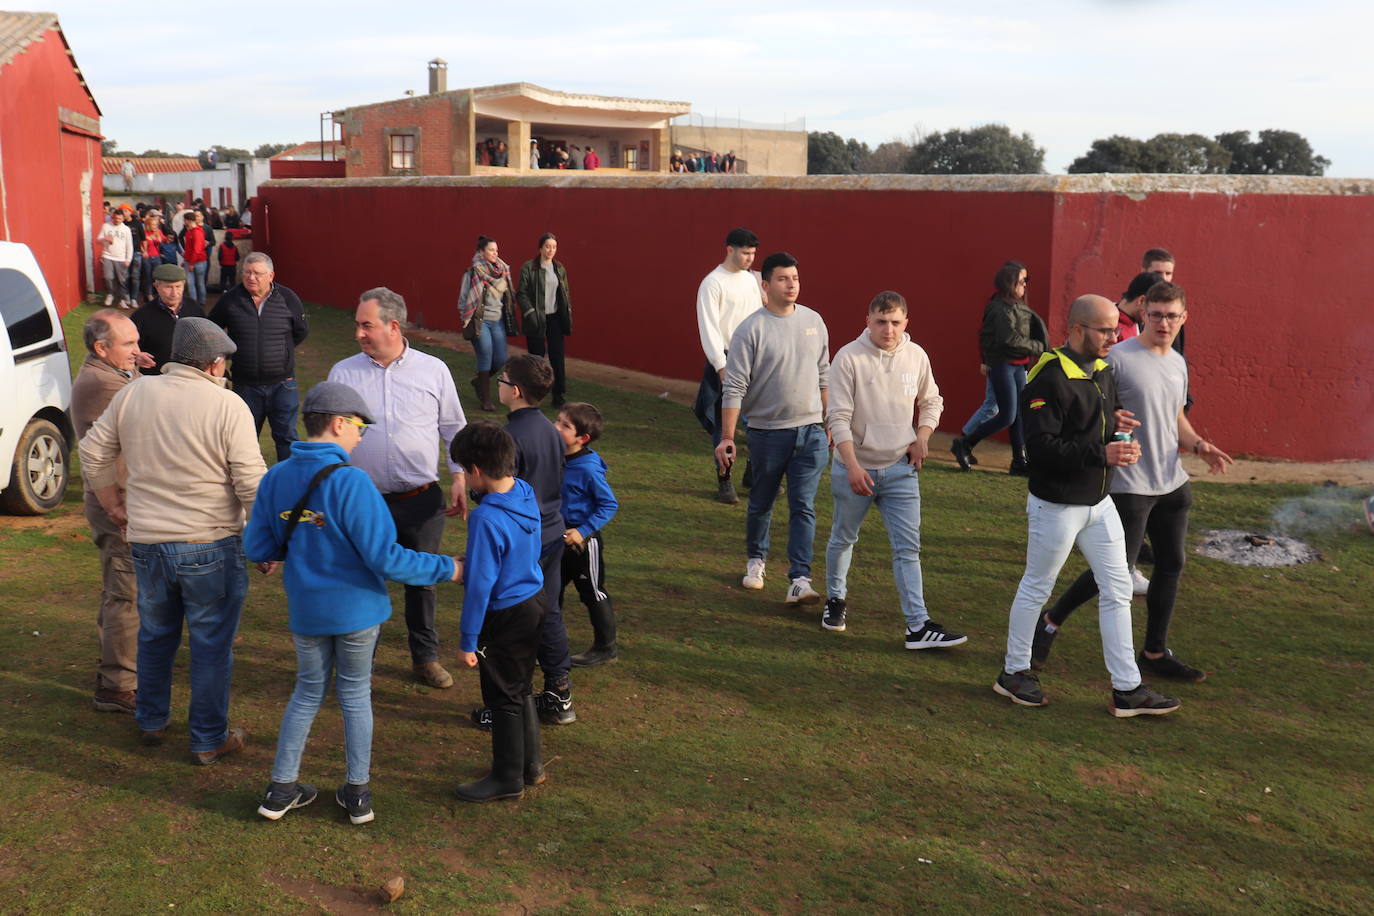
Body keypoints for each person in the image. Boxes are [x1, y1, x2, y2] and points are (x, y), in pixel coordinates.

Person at [245, 381, 462, 825]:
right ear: (339, 422)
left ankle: (280, 789)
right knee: (354, 694)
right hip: (358, 611)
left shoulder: (277, 476)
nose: (362, 435)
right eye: (360, 426)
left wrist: (302, 541)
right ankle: (357, 793)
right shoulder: (354, 483)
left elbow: (258, 545)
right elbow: (386, 558)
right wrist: (450, 569)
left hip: (307, 609)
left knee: (307, 693)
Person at [80, 318, 267, 761]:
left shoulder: (134, 393)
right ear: (215, 363)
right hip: (210, 543)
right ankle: (206, 738)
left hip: (148, 542)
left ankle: (150, 719)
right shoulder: (228, 406)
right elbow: (252, 484)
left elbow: (91, 451)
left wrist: (113, 505)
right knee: (210, 646)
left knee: (156, 636)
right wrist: (265, 541)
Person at [992, 294, 1180, 718]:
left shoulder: (1103, 369)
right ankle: (1013, 672)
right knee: (1037, 586)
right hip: (1056, 506)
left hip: (1099, 504)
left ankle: (1127, 689)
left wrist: (1117, 423)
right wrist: (1103, 453)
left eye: (1116, 329)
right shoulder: (1048, 376)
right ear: (1077, 330)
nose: (1114, 337)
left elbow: (1095, 419)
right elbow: (1039, 449)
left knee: (1118, 590)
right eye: (1105, 330)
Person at [1032, 282, 1232, 681]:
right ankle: (1051, 620)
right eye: (1156, 314)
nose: (1163, 322)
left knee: (1172, 564)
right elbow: (1094, 411)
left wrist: (1198, 444)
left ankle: (1155, 653)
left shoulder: (1177, 361)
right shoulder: (1118, 358)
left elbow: (1175, 416)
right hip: (1129, 484)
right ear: (1144, 312)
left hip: (1171, 480)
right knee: (1116, 571)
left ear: (1183, 319)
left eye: (1171, 315)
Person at [328, 288, 466, 688]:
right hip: (362, 501)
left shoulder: (434, 370)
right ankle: (359, 662)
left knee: (421, 580)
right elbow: (328, 435)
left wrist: (458, 476)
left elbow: (453, 428)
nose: (358, 333)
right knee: (361, 580)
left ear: (393, 326)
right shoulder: (343, 373)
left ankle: (425, 658)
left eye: (365, 325)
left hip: (420, 500)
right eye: (357, 324)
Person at [823, 291, 967, 649]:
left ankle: (917, 626)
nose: (888, 330)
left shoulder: (916, 355)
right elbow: (836, 416)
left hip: (901, 470)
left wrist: (922, 436)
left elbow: (932, 400)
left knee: (908, 548)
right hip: (854, 469)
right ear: (868, 320)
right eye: (881, 322)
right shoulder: (848, 357)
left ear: (906, 323)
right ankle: (835, 600)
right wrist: (853, 466)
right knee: (844, 538)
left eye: (895, 322)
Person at [716, 252, 830, 605]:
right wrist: (727, 437)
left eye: (795, 277)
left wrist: (830, 422)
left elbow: (824, 373)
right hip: (767, 433)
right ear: (765, 286)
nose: (791, 284)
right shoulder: (750, 329)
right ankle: (756, 560)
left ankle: (799, 578)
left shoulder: (814, 321)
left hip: (811, 432)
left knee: (803, 505)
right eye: (782, 278)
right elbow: (734, 386)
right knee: (761, 502)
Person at [449, 421, 547, 803]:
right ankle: (531, 765)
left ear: (475, 471)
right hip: (533, 602)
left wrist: (468, 640)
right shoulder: (524, 491)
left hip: (504, 613)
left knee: (502, 696)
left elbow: (480, 586)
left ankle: (507, 778)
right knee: (520, 686)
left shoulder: (486, 518)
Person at [71, 311, 154, 714]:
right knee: (126, 591)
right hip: (116, 505)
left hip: (118, 499)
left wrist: (136, 369)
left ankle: (117, 671)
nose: (137, 351)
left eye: (137, 342)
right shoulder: (101, 383)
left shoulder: (112, 374)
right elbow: (145, 422)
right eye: (129, 345)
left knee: (119, 588)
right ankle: (118, 685)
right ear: (101, 348)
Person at [495, 355, 576, 726]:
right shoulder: (550, 430)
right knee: (551, 613)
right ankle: (560, 693)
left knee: (512, 621)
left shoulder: (509, 437)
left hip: (522, 540)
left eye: (502, 379)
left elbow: (501, 490)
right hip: (552, 532)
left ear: (514, 391)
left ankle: (511, 705)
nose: (498, 384)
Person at [209, 252, 310, 463]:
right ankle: (248, 490)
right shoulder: (230, 299)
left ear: (271, 275)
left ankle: (289, 488)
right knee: (243, 441)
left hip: (282, 385)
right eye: (246, 272)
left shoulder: (288, 298)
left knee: (287, 439)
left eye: (257, 273)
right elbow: (212, 329)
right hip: (245, 386)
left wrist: (281, 352)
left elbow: (300, 331)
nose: (251, 277)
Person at [950, 261, 1047, 475]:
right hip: (1003, 365)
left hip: (1018, 365)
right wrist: (1038, 347)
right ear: (1009, 282)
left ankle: (1019, 462)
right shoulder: (999, 308)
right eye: (1022, 281)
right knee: (1007, 415)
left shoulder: (1017, 306)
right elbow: (1008, 339)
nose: (1025, 285)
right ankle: (965, 444)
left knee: (1019, 414)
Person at [693, 227, 763, 504]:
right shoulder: (712, 282)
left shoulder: (749, 280)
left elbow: (758, 317)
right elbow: (709, 327)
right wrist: (721, 366)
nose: (749, 259)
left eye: (753, 254)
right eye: (745, 253)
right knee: (726, 428)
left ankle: (752, 473)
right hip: (726, 360)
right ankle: (725, 480)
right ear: (730, 249)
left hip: (754, 359)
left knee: (759, 420)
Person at [555, 402, 620, 666]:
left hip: (583, 545)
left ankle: (606, 648)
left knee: (592, 592)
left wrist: (582, 532)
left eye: (564, 425)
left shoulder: (588, 468)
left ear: (582, 439)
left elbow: (609, 504)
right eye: (557, 420)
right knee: (550, 592)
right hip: (555, 540)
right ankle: (548, 645)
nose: (555, 426)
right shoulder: (556, 456)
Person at [457, 236, 518, 412]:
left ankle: (478, 382)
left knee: (500, 359)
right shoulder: (472, 272)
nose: (495, 253)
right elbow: (463, 299)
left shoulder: (503, 270)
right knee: (485, 355)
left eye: (496, 250)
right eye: (491, 250)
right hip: (480, 320)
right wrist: (465, 317)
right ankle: (486, 399)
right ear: (481, 252)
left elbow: (508, 295)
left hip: (497, 321)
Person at [517, 233, 574, 407]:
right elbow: (521, 293)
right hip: (536, 318)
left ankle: (559, 395)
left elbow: (564, 293)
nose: (551, 250)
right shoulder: (529, 267)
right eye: (547, 246)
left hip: (555, 318)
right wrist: (530, 312)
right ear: (540, 248)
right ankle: (534, 395)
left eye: (554, 247)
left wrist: (567, 311)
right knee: (536, 359)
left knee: (557, 356)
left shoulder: (559, 268)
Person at [130, 263, 206, 375]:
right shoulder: (142, 316)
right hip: (157, 380)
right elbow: (128, 346)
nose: (174, 293)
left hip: (191, 378)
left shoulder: (194, 309)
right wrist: (137, 357)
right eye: (168, 287)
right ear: (156, 286)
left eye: (178, 286)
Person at [97, 210, 133, 309]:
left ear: (123, 218)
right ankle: (110, 294)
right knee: (108, 277)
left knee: (122, 280)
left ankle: (122, 300)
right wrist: (105, 239)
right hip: (107, 255)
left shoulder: (126, 229)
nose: (117, 220)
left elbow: (129, 245)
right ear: (112, 217)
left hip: (121, 257)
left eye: (119, 218)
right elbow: (98, 239)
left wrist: (128, 259)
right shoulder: (106, 226)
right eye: (115, 218)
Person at [178, 211, 212, 305]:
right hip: (197, 261)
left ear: (188, 221)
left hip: (195, 261)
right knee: (197, 283)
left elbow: (196, 250)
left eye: (185, 220)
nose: (184, 222)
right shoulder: (195, 231)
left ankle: (196, 302)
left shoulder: (194, 232)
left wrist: (190, 262)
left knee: (193, 283)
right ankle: (200, 302)